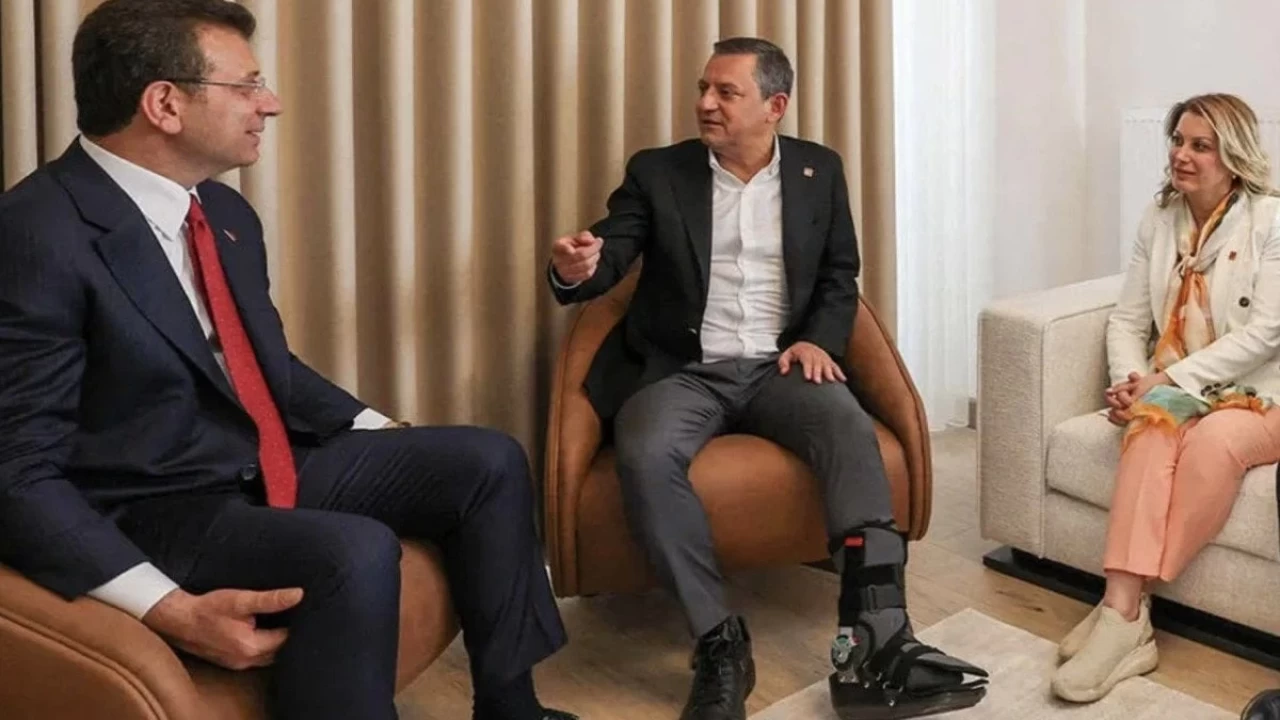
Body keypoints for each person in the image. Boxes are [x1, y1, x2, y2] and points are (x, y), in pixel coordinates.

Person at [0, 2, 576, 719]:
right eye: (247, 85)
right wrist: (169, 607)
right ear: (165, 104)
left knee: (488, 460)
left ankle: (512, 708)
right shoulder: (36, 236)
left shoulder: (223, 214)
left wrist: (375, 428)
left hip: (255, 458)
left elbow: (260, 362)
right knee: (355, 551)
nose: (269, 104)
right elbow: (17, 469)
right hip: (152, 505)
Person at [547, 36, 987, 720]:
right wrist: (575, 269)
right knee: (646, 452)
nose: (705, 103)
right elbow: (610, 254)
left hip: (780, 365)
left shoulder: (818, 170)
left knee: (847, 426)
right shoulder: (659, 172)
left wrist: (817, 340)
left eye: (726, 92)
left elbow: (840, 275)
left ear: (774, 107)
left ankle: (875, 640)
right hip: (682, 372)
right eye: (704, 88)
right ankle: (719, 643)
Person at [1051, 93, 1280, 703]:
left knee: (1212, 443)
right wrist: (1134, 382)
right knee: (1150, 429)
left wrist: (1169, 381)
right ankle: (1125, 616)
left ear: (1233, 156)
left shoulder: (1272, 220)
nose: (1182, 154)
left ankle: (1121, 609)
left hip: (1261, 390)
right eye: (1178, 140)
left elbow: (1266, 333)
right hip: (1177, 381)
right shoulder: (1159, 218)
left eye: (1201, 146)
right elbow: (1127, 320)